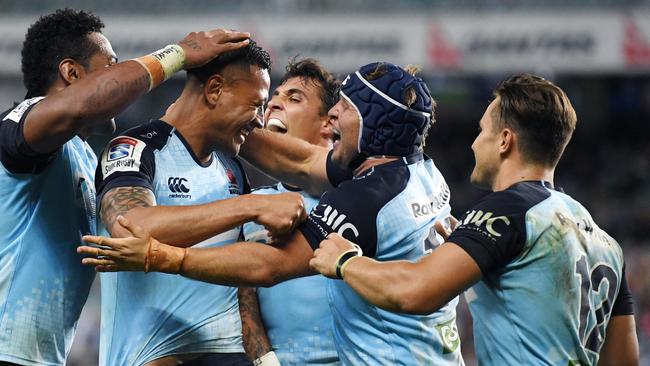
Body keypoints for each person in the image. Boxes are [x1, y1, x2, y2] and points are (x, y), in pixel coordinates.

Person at [79, 62, 465, 365]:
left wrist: (163, 256)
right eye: (264, 100)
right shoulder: (423, 172)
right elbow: (296, 163)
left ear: (370, 123)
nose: (334, 114)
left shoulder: (360, 198)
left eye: (344, 107)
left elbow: (268, 266)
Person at [309, 74, 640, 366]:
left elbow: (416, 291)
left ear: (504, 140)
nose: (474, 142)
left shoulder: (507, 211)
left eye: (482, 131)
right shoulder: (603, 240)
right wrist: (469, 244)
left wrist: (345, 261)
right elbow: (623, 360)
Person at [0, 8, 250, 366]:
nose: (124, 77)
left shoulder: (85, 157)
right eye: (112, 65)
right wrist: (177, 55)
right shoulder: (22, 123)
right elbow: (79, 106)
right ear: (72, 73)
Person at [89, 41, 307, 366]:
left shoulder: (231, 167)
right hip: (154, 357)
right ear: (215, 90)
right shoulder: (136, 148)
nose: (260, 121)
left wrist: (263, 358)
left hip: (231, 356)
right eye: (256, 105)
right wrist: (251, 206)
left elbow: (244, 283)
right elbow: (130, 228)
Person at [237, 58, 341, 365]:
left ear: (329, 123)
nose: (274, 104)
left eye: (294, 98)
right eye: (275, 97)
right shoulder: (253, 204)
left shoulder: (356, 194)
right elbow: (245, 292)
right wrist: (264, 359)